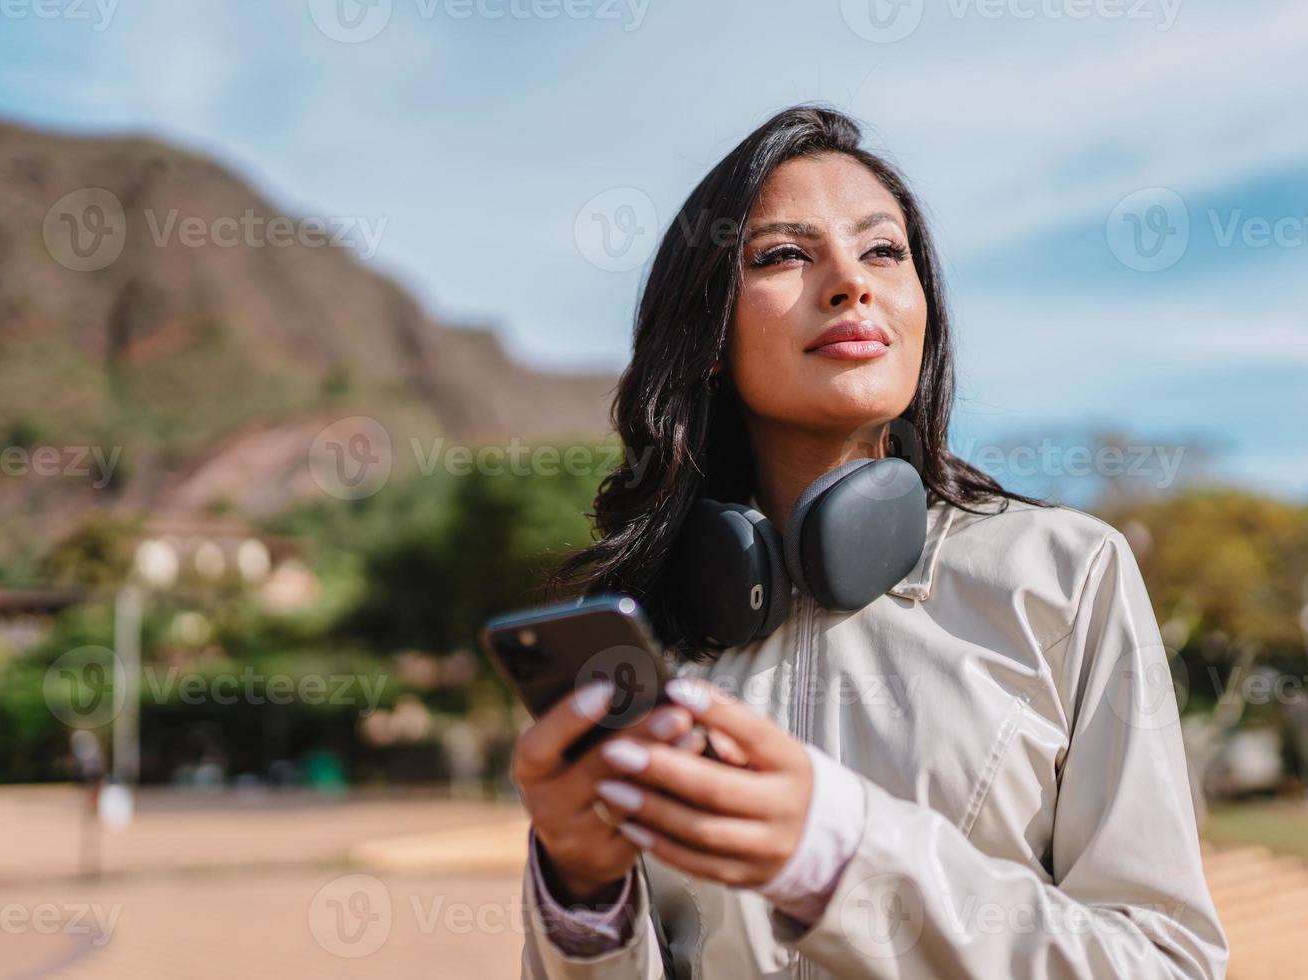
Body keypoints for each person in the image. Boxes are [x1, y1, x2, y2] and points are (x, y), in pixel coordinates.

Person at [510, 103, 1228, 979]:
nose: (852, 281)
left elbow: (1165, 963)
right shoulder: (645, 634)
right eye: (783, 254)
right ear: (706, 333)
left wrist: (843, 856)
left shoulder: (1068, 575)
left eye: (883, 250)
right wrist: (583, 902)